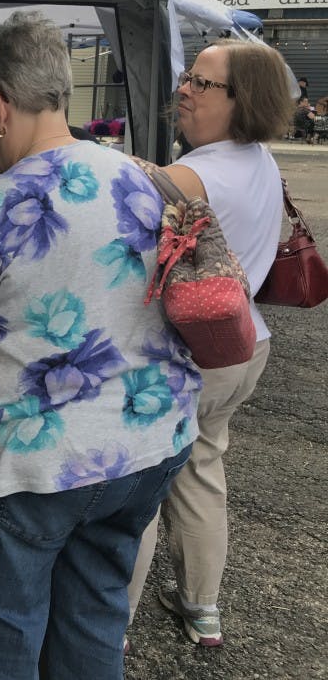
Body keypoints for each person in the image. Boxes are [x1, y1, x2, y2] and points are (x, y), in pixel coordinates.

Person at [0, 11, 201, 679]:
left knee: (7, 633)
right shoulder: (147, 179)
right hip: (144, 445)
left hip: (31, 470)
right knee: (94, 615)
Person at [126, 40, 294, 649]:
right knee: (200, 470)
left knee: (140, 483)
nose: (185, 91)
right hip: (245, 345)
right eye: (187, 77)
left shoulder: (189, 176)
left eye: (202, 82)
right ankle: (201, 609)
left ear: (239, 98)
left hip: (186, 353)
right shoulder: (262, 162)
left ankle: (109, 625)